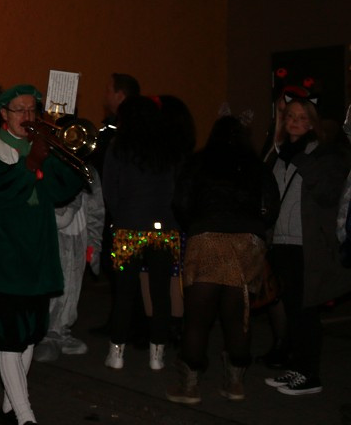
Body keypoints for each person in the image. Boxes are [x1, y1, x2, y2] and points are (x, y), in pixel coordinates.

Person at [0, 84, 82, 425]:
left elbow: (63, 191)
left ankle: (9, 407)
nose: (28, 118)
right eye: (19, 110)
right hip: (4, 258)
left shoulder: (41, 149)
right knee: (10, 338)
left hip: (40, 255)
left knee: (31, 333)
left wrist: (65, 155)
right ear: (3, 114)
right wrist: (32, 163)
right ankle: (26, 418)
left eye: (33, 110)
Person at [168, 116, 279, 403]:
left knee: (197, 317)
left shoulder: (198, 162)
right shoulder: (256, 165)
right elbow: (271, 205)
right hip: (246, 242)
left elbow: (180, 201)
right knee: (237, 315)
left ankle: (189, 386)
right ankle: (235, 383)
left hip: (206, 239)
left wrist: (197, 224)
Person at [263, 97, 351, 396]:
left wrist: (301, 159)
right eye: (290, 116)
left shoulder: (324, 155)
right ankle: (297, 368)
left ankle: (309, 374)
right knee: (292, 309)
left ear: (313, 122)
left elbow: (328, 194)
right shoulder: (278, 154)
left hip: (307, 244)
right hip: (282, 242)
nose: (295, 121)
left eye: (302, 117)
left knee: (306, 310)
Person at [102, 96, 183, 372]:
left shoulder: (119, 147)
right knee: (160, 293)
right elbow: (175, 188)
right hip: (163, 227)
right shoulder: (168, 148)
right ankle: (157, 355)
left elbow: (110, 189)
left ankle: (117, 353)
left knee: (124, 292)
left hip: (128, 226)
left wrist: (120, 216)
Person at [35, 166, 104, 362]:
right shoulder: (42, 161)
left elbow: (96, 207)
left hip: (77, 233)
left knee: (72, 285)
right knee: (52, 283)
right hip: (50, 231)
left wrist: (93, 243)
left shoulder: (86, 167)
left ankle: (60, 330)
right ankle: (46, 331)